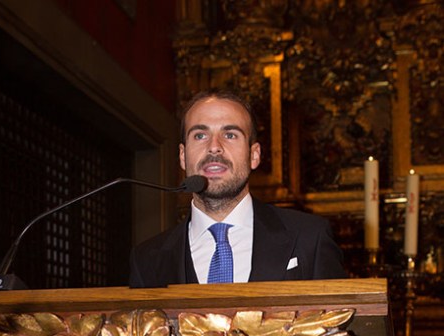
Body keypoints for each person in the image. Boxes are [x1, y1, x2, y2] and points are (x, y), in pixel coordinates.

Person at [129, 90, 346, 288]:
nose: (214, 147)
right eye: (200, 135)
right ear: (183, 156)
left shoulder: (310, 237)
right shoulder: (147, 259)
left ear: (254, 155)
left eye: (230, 135)